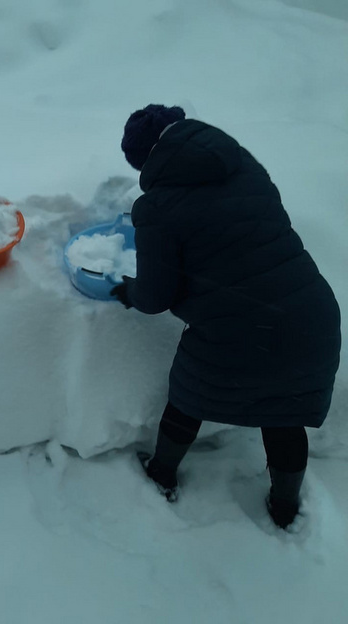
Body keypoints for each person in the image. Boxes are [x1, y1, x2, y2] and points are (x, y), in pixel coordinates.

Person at [111, 104, 341, 529]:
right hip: (311, 313)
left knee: (189, 396)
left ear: (145, 159)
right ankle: (286, 508)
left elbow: (156, 296)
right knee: (286, 413)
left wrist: (128, 290)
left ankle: (161, 473)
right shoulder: (240, 163)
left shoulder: (158, 208)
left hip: (245, 328)